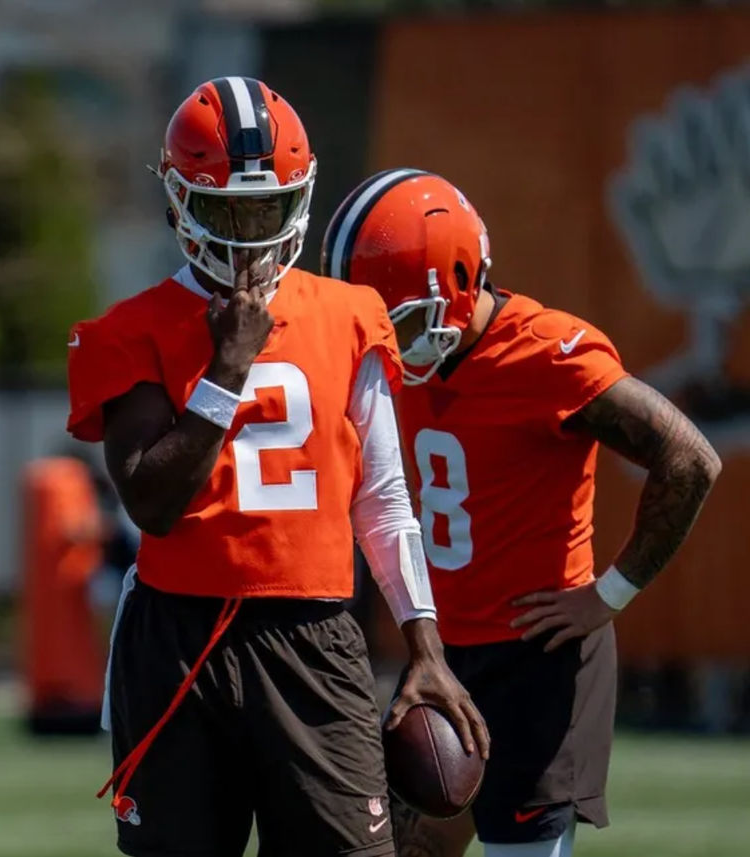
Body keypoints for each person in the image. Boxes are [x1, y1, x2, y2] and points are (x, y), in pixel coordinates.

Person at [67, 78, 488, 857]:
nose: (249, 234)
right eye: (227, 209)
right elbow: (151, 505)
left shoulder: (350, 313)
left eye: (266, 208)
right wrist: (226, 370)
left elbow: (385, 500)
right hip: (177, 640)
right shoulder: (129, 331)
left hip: (314, 629)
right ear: (179, 199)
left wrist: (426, 648)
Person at [321, 168, 722, 857]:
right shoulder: (403, 357)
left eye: (397, 316)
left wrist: (610, 593)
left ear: (455, 283)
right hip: (442, 651)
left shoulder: (548, 353)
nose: (382, 337)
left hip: (540, 655)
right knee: (402, 850)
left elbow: (689, 458)